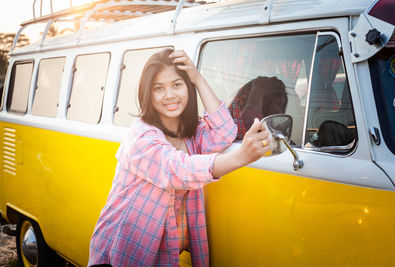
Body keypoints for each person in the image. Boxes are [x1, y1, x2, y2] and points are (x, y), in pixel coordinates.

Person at [88, 49, 271, 267]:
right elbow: (176, 169)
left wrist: (197, 78)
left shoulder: (193, 132)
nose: (170, 95)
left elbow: (224, 131)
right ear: (147, 93)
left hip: (163, 248)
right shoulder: (140, 136)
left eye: (177, 84)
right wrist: (241, 156)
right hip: (123, 250)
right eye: (158, 88)